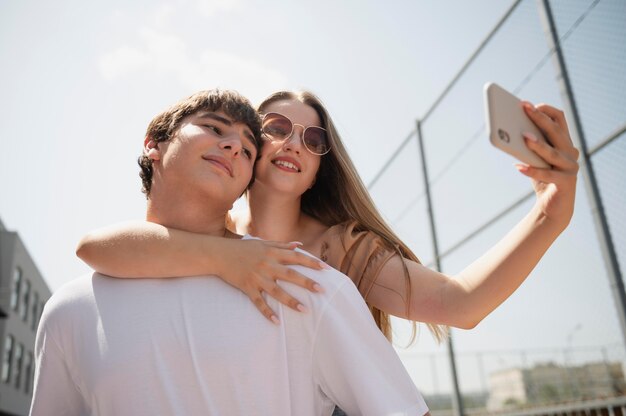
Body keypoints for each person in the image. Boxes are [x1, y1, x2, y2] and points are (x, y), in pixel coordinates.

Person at [30, 89, 430, 416]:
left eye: (249, 148)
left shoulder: (302, 283)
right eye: (214, 127)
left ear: (246, 182)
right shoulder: (68, 310)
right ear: (154, 143)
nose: (235, 146)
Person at [76, 90, 580, 344]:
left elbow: (461, 304)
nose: (295, 141)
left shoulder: (342, 249)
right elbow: (96, 248)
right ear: (247, 150)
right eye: (276, 127)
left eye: (313, 140)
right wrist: (226, 254)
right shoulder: (212, 233)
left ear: (318, 169)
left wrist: (550, 215)